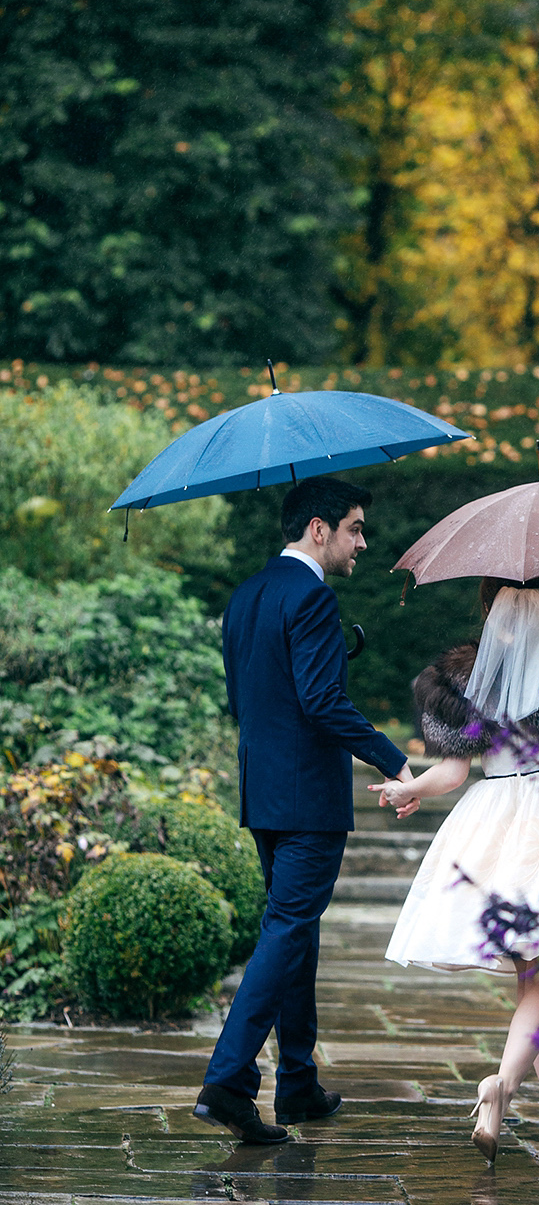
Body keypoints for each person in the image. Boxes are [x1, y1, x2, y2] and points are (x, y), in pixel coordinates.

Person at [373, 577, 539, 1164]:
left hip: (495, 817)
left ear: (489, 606)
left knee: (535, 975)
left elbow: (453, 773)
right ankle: (502, 1088)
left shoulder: (465, 676)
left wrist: (408, 788)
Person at [194, 477, 414, 1145]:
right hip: (308, 800)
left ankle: (297, 1081)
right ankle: (228, 1082)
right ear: (318, 529)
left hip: (262, 792)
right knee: (288, 929)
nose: (363, 542)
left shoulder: (247, 594)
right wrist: (394, 759)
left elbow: (247, 700)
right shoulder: (314, 597)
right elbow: (321, 702)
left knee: (298, 930)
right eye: (355, 527)